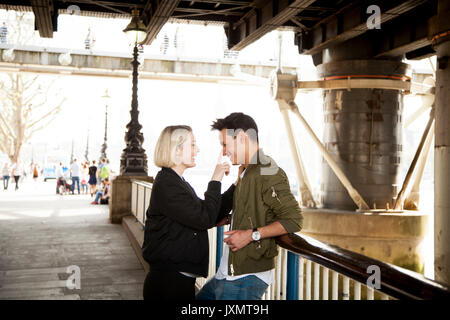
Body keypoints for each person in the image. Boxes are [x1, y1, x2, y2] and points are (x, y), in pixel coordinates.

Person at [196, 112, 304, 300]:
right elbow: (256, 208)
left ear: (243, 138)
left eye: (225, 145)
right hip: (229, 271)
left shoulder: (268, 170)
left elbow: (294, 220)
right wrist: (232, 218)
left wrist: (250, 235)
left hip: (246, 278)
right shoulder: (246, 170)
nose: (223, 152)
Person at [141, 125, 234, 301]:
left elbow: (207, 212)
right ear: (177, 150)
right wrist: (215, 179)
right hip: (169, 284)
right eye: (192, 145)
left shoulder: (175, 181)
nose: (197, 150)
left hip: (176, 280)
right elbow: (205, 218)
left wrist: (237, 185)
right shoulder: (167, 185)